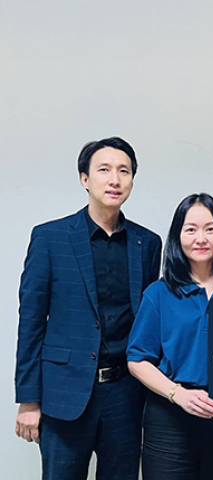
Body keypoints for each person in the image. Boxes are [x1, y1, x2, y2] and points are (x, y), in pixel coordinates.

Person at [14, 137, 162, 479]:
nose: (115, 180)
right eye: (104, 170)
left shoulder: (148, 243)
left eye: (124, 171)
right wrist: (29, 399)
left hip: (125, 395)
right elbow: (31, 322)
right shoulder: (50, 238)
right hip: (64, 393)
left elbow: (148, 323)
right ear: (85, 178)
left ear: (132, 180)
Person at [127, 193, 213, 480]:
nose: (201, 238)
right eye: (191, 229)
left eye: (210, 229)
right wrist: (179, 395)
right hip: (169, 421)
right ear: (178, 236)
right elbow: (137, 360)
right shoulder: (158, 293)